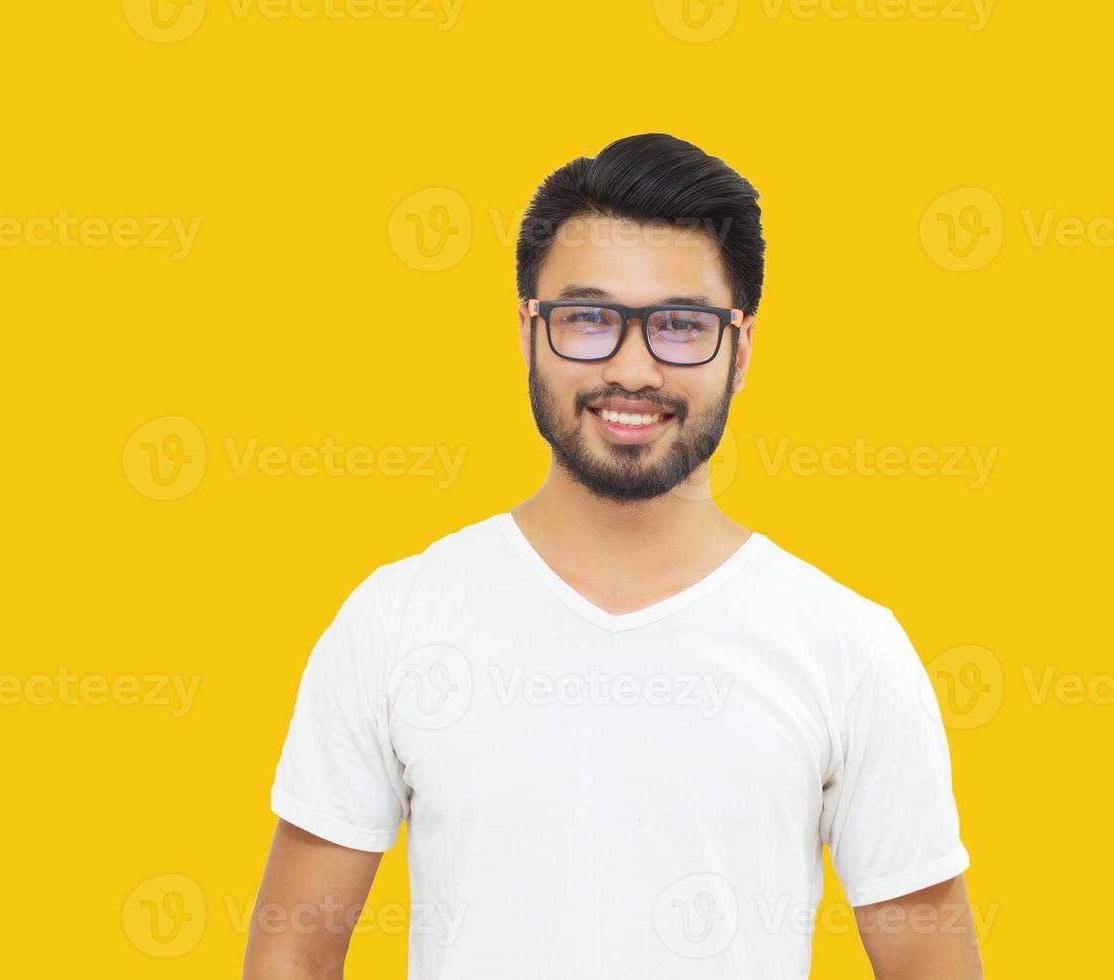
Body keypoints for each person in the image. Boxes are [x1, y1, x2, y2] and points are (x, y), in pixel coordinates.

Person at [243, 133, 983, 979]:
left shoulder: (850, 648)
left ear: (740, 351)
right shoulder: (396, 617)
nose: (633, 368)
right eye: (589, 318)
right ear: (529, 333)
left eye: (680, 324)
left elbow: (932, 968)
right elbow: (292, 954)